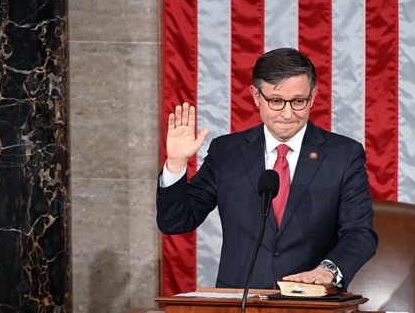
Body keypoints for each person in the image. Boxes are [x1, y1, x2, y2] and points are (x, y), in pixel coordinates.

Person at [156, 47, 378, 290]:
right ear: (256, 96)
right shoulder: (226, 152)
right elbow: (176, 222)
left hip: (312, 302)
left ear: (313, 97)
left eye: (298, 101)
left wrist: (326, 271)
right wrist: (176, 164)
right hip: (240, 303)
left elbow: (359, 232)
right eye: (276, 101)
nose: (287, 113)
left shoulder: (343, 155)